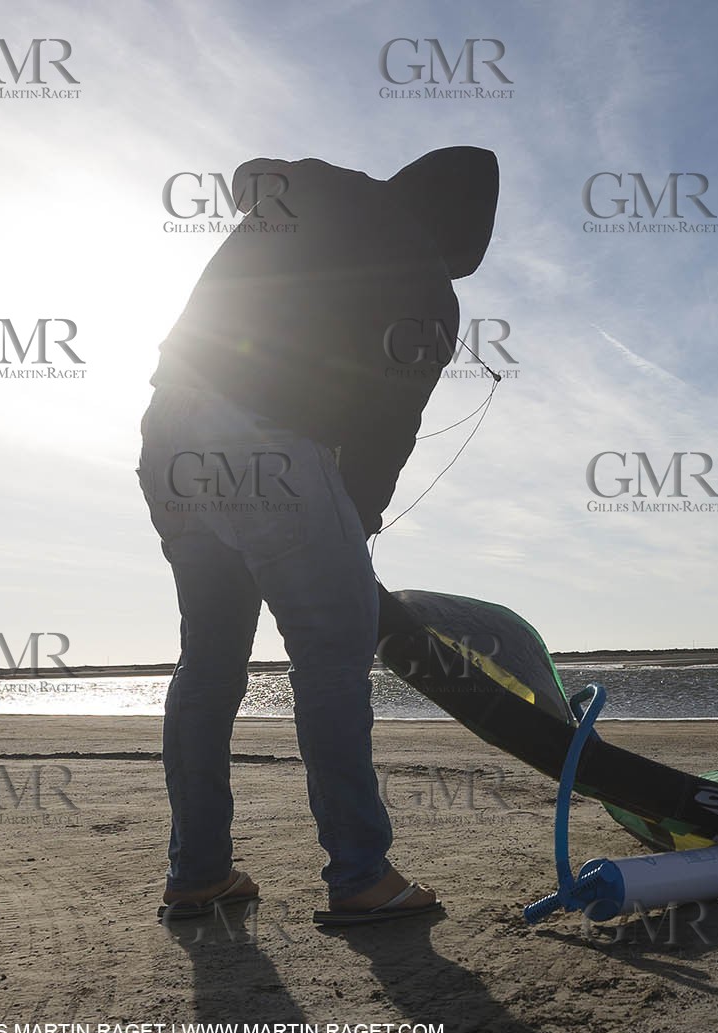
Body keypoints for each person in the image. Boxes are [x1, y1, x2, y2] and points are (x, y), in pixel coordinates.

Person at [136, 146, 499, 925]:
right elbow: (386, 433)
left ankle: (198, 873)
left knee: (207, 668)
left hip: (169, 434)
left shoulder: (324, 187)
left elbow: (247, 178)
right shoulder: (433, 298)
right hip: (265, 445)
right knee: (331, 661)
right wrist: (356, 522)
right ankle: (360, 875)